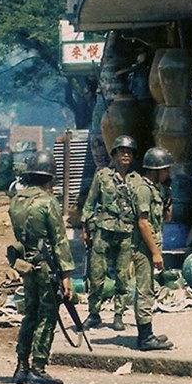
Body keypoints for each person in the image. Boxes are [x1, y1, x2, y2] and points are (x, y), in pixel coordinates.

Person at [8, 150, 75, 384]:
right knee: (47, 315)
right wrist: (66, 275)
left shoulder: (16, 201)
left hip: (26, 265)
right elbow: (59, 240)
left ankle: (21, 366)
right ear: (49, 177)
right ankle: (38, 366)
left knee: (30, 313)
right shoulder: (48, 203)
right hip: (46, 267)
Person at [80, 135, 138, 331]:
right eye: (121, 151)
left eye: (129, 152)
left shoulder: (136, 180)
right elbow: (89, 203)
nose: (125, 155)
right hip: (103, 231)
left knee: (123, 276)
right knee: (96, 275)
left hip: (126, 232)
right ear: (114, 154)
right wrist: (85, 228)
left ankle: (119, 315)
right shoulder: (102, 175)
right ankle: (94, 313)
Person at [129, 147, 174, 351]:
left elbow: (166, 218)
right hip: (142, 247)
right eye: (165, 170)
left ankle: (148, 333)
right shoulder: (144, 190)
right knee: (144, 290)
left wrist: (168, 197)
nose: (168, 173)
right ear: (155, 170)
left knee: (149, 289)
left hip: (150, 244)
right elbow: (143, 223)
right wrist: (155, 252)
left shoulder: (155, 188)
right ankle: (145, 338)